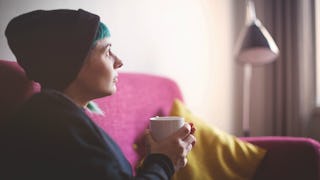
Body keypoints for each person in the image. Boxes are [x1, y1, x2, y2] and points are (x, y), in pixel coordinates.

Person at [1, 9, 196, 179]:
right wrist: (164, 161)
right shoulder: (54, 121)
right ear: (71, 60)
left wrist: (156, 157)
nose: (119, 61)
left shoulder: (63, 116)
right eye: (107, 51)